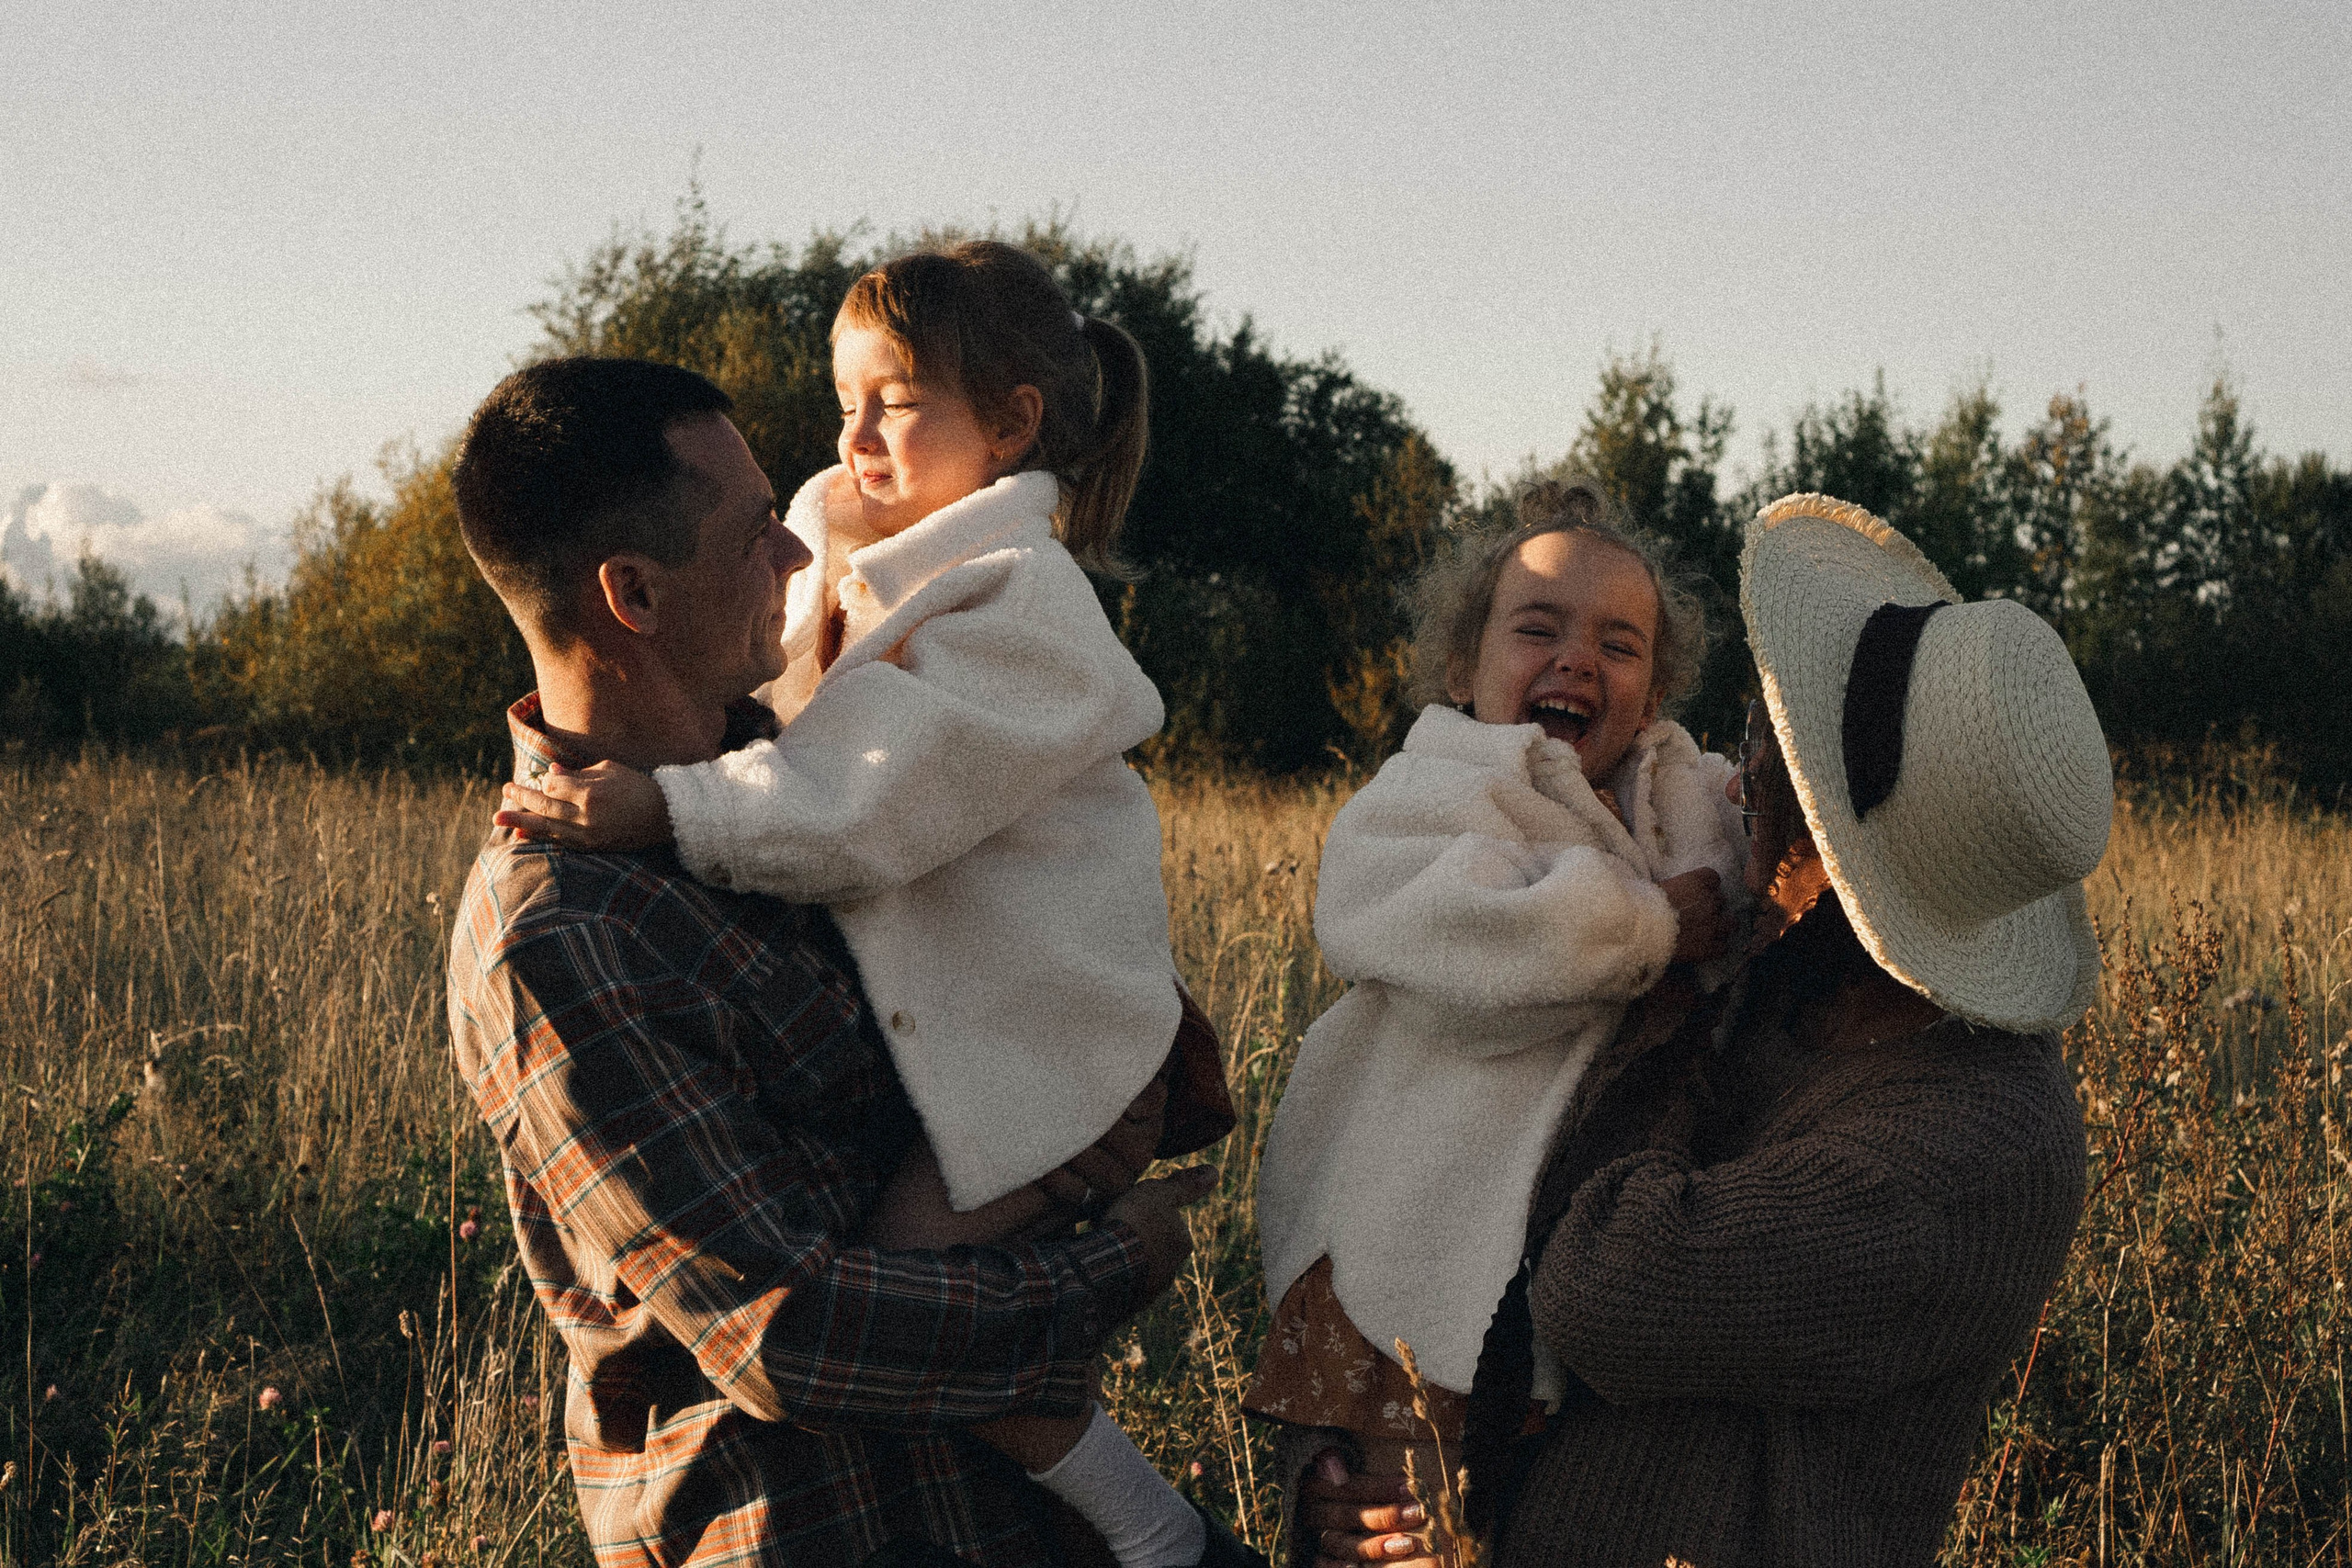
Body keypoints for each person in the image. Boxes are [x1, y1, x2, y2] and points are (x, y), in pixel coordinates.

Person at [490, 243, 1245, 1568]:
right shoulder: (569, 929)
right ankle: (1158, 1528)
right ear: (634, 595)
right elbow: (797, 1332)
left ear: (1007, 421)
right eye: (756, 529)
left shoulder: (861, 711)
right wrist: (1119, 1259)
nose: (802, 539)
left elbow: (885, 812)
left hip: (994, 1509)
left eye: (884, 405)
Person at [1306, 492, 2109, 1565]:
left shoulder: (1975, 1145)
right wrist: (1346, 1472)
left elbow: (1606, 1289)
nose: (1743, 784)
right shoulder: (1787, 984)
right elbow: (1413, 1157)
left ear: (1843, 859)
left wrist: (1660, 983)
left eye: (1773, 761)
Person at [1244, 479, 1745, 1561]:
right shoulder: (1428, 795)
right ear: (1463, 666)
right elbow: (1481, 932)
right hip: (1413, 1239)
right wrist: (1652, 923)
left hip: (1565, 1265)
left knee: (1532, 1512)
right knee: (1400, 1526)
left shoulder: (1669, 800)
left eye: (1620, 645)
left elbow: (1746, 860)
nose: (1576, 661)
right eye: (1537, 629)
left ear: (1655, 691)